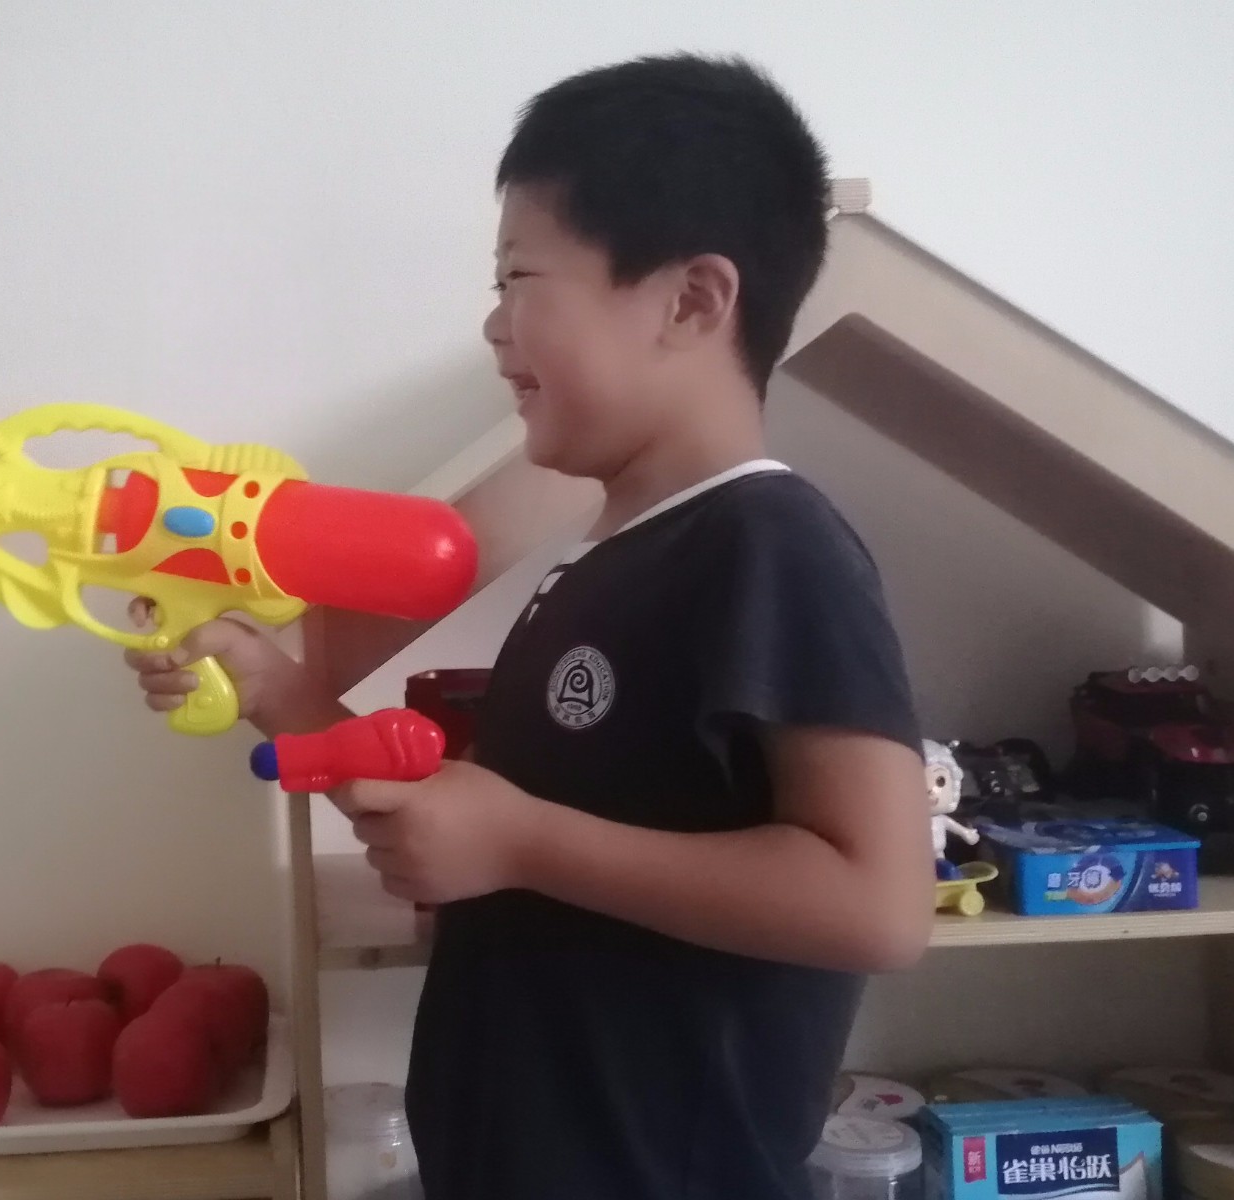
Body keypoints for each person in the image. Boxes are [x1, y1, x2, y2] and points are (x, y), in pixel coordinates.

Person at [126, 51, 935, 1200]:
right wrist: (273, 687)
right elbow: (468, 826)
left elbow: (881, 905)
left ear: (692, 301)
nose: (495, 326)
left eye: (520, 278)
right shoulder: (604, 559)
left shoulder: (771, 545)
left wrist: (523, 843)